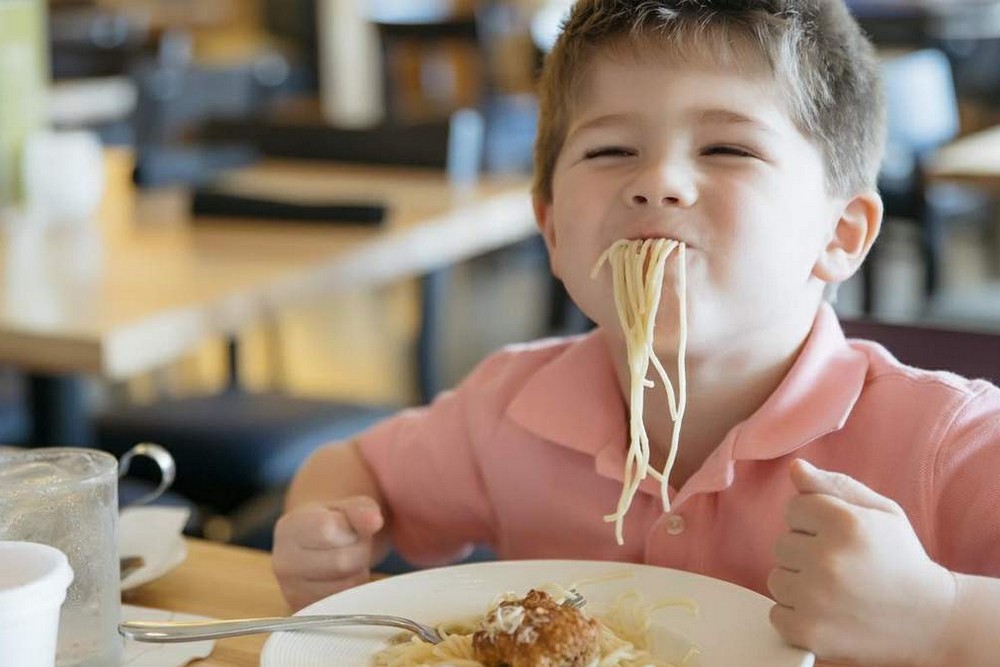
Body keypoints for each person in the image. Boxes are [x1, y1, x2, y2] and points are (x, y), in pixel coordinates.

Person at [271, 1, 1000, 664]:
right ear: (552, 228)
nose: (659, 183)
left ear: (841, 233)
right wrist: (324, 526)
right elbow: (352, 466)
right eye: (610, 150)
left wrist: (943, 616)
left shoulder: (941, 439)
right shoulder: (511, 407)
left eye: (728, 149)